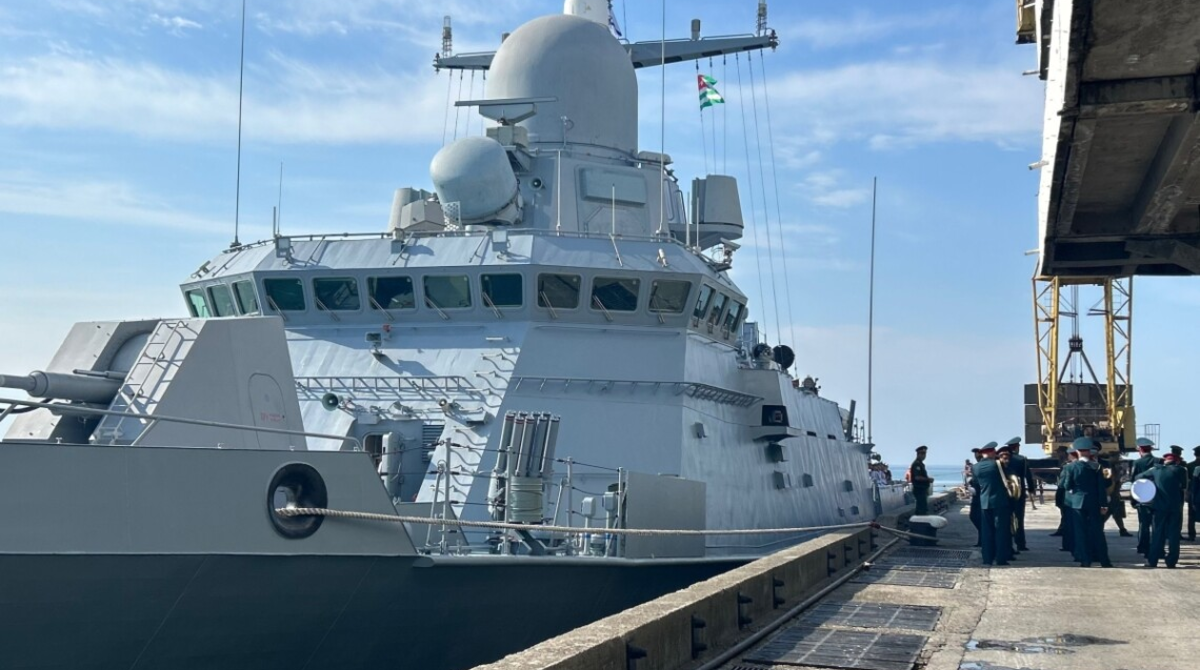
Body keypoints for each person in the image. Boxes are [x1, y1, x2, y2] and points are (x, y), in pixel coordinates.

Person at [1061, 437, 1112, 567]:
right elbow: (1101, 488)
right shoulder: (1097, 467)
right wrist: (1104, 504)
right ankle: (1105, 561)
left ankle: (1085, 560)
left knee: (1080, 533)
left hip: (1077, 503)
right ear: (1089, 452)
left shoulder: (1070, 467)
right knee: (1098, 532)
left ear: (1077, 452)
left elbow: (1066, 486)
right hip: (1094, 502)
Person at [1135, 451, 1188, 568]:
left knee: (1157, 534)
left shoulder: (1156, 470)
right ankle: (1171, 562)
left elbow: (1138, 477)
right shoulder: (1181, 470)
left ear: (1165, 461)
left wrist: (1152, 481)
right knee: (1174, 535)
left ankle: (1152, 561)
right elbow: (1184, 486)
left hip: (1159, 507)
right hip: (1175, 507)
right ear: (1176, 461)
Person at [971, 443, 1012, 566]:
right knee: (1001, 530)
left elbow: (976, 484)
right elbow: (1007, 479)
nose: (995, 454)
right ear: (990, 452)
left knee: (986, 531)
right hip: (1000, 502)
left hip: (984, 502)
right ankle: (1001, 559)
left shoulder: (975, 467)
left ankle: (987, 558)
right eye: (994, 452)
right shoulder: (997, 464)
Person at [1003, 437, 1035, 551]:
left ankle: (1008, 545)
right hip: (1018, 493)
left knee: (1006, 519)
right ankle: (1021, 544)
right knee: (1019, 519)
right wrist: (1031, 489)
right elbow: (1028, 476)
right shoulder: (1021, 459)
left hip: (1005, 493)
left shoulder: (1002, 458)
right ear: (1017, 447)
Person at [1130, 437, 1160, 555]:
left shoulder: (1137, 463)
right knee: (1156, 525)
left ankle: (1143, 547)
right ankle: (1156, 547)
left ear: (1140, 450)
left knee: (1143, 524)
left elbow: (1133, 481)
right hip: (1156, 497)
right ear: (1151, 449)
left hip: (1142, 498)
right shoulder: (1158, 461)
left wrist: (1133, 499)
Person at [909, 445, 933, 515]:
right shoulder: (916, 464)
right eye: (922, 454)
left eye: (925, 454)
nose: (924, 456)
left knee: (922, 507)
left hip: (922, 489)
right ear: (918, 454)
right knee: (921, 508)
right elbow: (917, 477)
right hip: (919, 489)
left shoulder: (921, 464)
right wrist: (928, 479)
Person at [968, 446, 984, 547]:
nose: (976, 456)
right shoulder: (975, 467)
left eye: (978, 455)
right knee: (975, 517)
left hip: (980, 495)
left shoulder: (978, 467)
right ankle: (982, 538)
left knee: (977, 517)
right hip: (976, 496)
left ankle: (982, 539)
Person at [1188, 446, 1200, 541]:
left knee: (1191, 516)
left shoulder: (1189, 466)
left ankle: (1192, 535)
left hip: (1193, 493)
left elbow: (1187, 481)